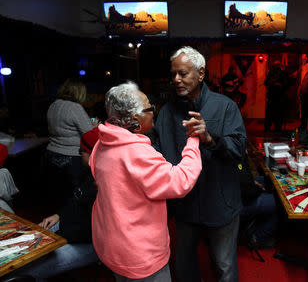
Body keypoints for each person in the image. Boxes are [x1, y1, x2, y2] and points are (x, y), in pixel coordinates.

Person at [89, 82, 202, 281]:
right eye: (150, 108)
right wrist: (193, 141)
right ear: (135, 119)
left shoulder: (103, 142)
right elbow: (180, 181)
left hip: (112, 244)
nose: (154, 112)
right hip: (139, 254)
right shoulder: (137, 152)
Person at [153, 46, 246, 282]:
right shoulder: (166, 112)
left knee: (224, 267)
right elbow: (157, 154)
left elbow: (238, 150)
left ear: (201, 74)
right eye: (173, 74)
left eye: (183, 73)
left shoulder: (225, 106)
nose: (176, 79)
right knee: (184, 267)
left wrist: (210, 138)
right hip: (185, 206)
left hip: (220, 201)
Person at [11, 128, 100, 282]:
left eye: (82, 151)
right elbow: (74, 200)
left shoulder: (103, 185)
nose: (79, 154)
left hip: (90, 244)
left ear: (96, 154)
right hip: (69, 231)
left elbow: (89, 229)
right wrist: (58, 215)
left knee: (31, 270)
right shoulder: (88, 173)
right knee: (22, 247)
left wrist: (55, 239)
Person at [45, 78, 94, 205]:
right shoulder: (75, 107)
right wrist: (94, 125)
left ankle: (58, 219)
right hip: (72, 157)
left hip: (51, 155)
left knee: (59, 193)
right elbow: (89, 134)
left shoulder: (54, 104)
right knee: (75, 196)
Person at [239, 155, 278, 249]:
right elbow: (246, 191)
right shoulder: (227, 148)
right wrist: (256, 188)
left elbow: (239, 174)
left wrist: (251, 182)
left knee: (266, 180)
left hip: (240, 189)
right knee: (279, 202)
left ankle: (261, 220)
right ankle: (257, 238)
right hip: (234, 203)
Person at [264, 61, 289, 132]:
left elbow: (286, 84)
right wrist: (271, 82)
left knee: (279, 113)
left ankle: (278, 128)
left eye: (277, 65)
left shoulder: (283, 74)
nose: (276, 67)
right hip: (271, 96)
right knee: (269, 113)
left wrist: (280, 84)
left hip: (280, 97)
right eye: (275, 65)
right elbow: (265, 82)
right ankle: (267, 128)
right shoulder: (271, 73)